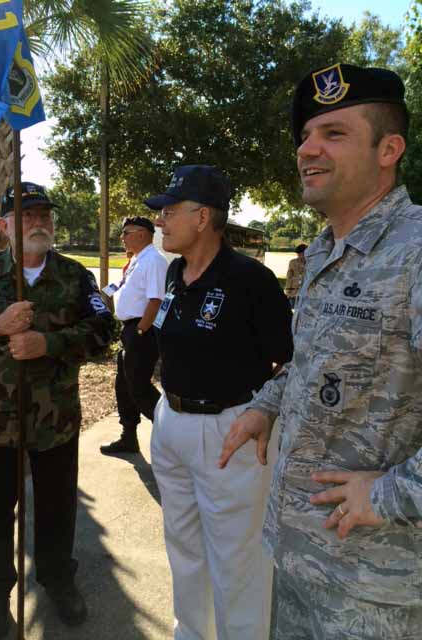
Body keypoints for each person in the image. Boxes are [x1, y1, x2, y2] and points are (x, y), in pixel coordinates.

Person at [219, 63, 422, 639]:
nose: (308, 148)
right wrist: (268, 404)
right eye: (306, 135)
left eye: (334, 134)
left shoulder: (416, 250)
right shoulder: (326, 251)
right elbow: (314, 359)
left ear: (390, 149)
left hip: (378, 585)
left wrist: (389, 493)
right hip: (300, 556)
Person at [0, 182, 115, 639]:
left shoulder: (76, 277)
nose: (38, 222)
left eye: (44, 214)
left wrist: (49, 343)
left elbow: (103, 330)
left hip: (55, 420)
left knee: (58, 509)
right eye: (25, 214)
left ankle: (58, 580)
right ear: (4, 226)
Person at [144, 164, 293, 640]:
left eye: (169, 212)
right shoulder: (174, 270)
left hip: (230, 431)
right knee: (184, 547)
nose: (160, 222)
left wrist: (261, 411)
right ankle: (192, 633)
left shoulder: (251, 280)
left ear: (203, 217)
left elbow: (292, 362)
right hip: (173, 423)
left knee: (237, 559)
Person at [100, 216, 167, 454]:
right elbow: (122, 288)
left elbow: (156, 299)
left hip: (142, 330)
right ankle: (128, 435)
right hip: (131, 329)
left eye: (125, 233)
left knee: (138, 386)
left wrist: (140, 330)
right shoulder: (138, 260)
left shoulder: (154, 261)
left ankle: (170, 432)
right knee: (124, 384)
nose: (122, 237)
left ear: (141, 234)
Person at [285, 243, 307, 308]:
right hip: (294, 293)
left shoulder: (311, 263)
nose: (299, 256)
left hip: (306, 294)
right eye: (298, 254)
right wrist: (288, 291)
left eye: (301, 254)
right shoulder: (292, 262)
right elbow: (289, 277)